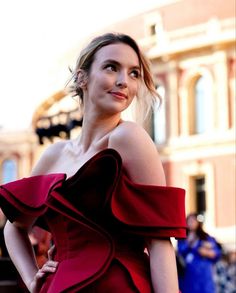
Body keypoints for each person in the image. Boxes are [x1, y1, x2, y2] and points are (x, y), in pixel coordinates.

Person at [0, 33, 186, 293]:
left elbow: (159, 241)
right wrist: (32, 279)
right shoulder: (53, 154)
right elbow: (14, 227)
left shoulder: (129, 137)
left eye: (133, 73)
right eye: (111, 67)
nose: (124, 81)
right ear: (81, 77)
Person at [177, 213, 222, 293]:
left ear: (198, 222)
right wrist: (189, 244)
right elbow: (180, 253)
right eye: (189, 221)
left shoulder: (205, 237)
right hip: (188, 276)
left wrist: (208, 253)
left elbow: (217, 253)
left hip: (204, 275)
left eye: (193, 220)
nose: (191, 223)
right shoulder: (183, 238)